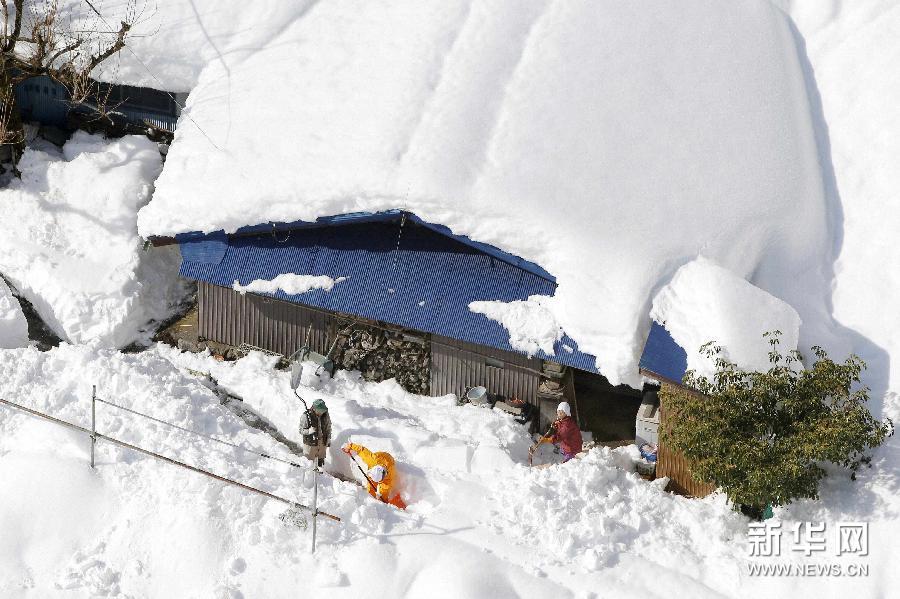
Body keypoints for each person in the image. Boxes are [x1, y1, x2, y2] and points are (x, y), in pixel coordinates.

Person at [341, 441, 406, 509]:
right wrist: (350, 446)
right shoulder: (372, 459)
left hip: (389, 459)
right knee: (370, 487)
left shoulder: (388, 479)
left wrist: (384, 503)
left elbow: (384, 492)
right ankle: (371, 499)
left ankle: (376, 502)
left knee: (383, 493)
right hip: (379, 456)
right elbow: (361, 450)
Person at [299, 399, 331, 468]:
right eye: (320, 411)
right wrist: (308, 431)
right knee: (308, 463)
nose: (321, 413)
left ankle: (321, 475)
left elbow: (328, 428)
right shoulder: (306, 416)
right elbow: (300, 430)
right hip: (310, 443)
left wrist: (328, 438)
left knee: (321, 461)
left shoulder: (325, 415)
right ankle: (309, 476)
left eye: (323, 411)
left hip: (322, 442)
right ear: (314, 409)